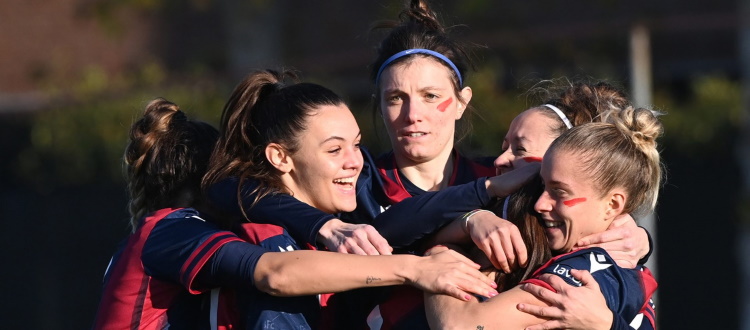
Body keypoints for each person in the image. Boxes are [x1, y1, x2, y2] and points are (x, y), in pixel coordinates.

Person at [91, 97, 497, 330]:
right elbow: (276, 274)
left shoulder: (303, 230)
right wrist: (413, 269)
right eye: (334, 149)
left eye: (356, 146)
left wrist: (479, 204)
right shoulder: (170, 229)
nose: (355, 163)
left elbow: (388, 229)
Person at [424, 104, 662, 329]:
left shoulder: (583, 275)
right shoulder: (611, 265)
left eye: (559, 192)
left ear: (612, 205)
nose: (540, 203)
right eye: (542, 186)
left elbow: (460, 326)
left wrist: (438, 258)